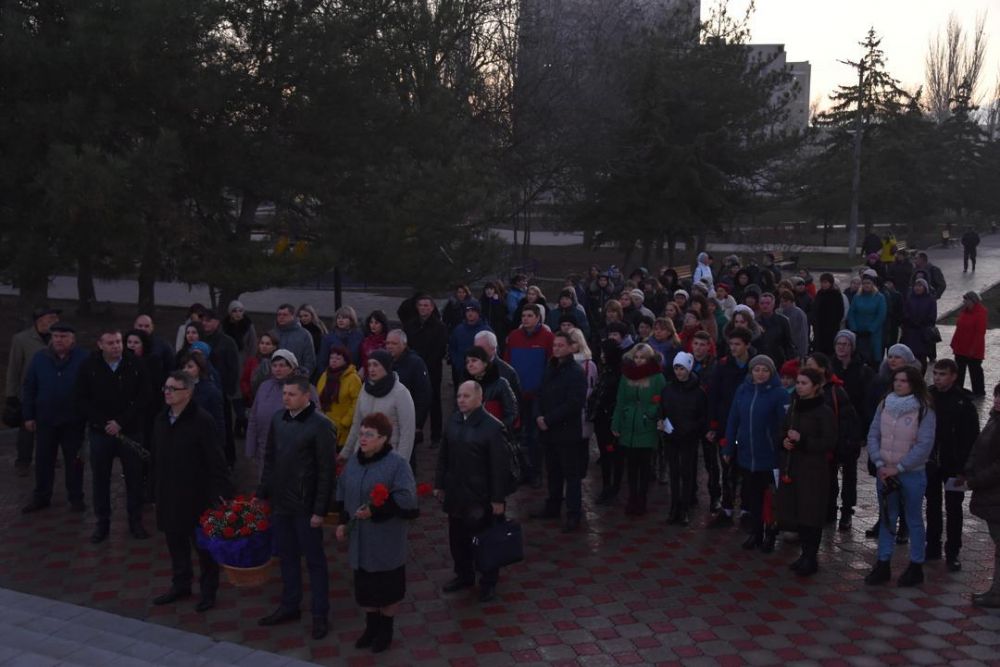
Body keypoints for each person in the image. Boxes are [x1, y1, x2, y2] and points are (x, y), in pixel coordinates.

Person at [256, 376, 337, 639]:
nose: (286, 398)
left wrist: (319, 510)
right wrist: (263, 492)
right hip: (281, 503)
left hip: (305, 506)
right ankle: (290, 605)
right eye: (285, 394)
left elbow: (326, 472)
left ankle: (319, 614)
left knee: (315, 561)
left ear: (306, 396)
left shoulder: (321, 426)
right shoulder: (279, 419)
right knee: (287, 557)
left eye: (292, 394)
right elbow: (270, 459)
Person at [335, 412, 419, 653]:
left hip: (385, 541)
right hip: (360, 541)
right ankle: (371, 628)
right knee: (366, 590)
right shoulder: (353, 461)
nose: (363, 438)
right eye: (361, 433)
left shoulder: (397, 464)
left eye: (369, 435)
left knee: (387, 590)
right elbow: (342, 493)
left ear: (383, 439)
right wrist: (343, 521)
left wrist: (377, 510)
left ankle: (386, 630)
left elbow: (408, 500)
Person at [151, 371, 232, 612]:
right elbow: (155, 457)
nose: (167, 392)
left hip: (197, 495)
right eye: (165, 387)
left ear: (187, 392)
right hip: (168, 493)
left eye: (172, 389)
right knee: (175, 543)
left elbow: (216, 460)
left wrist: (219, 493)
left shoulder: (201, 421)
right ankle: (181, 583)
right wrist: (152, 490)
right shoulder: (161, 419)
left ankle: (208, 591)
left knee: (203, 548)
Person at [434, 380, 510, 603]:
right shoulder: (454, 421)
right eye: (459, 396)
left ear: (480, 398)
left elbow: (499, 468)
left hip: (480, 497)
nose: (461, 400)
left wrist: (498, 499)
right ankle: (464, 575)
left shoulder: (493, 427)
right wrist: (439, 484)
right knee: (457, 539)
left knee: (484, 541)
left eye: (466, 396)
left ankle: (488, 582)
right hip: (456, 494)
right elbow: (443, 456)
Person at [75, 328, 152, 543]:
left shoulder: (136, 364)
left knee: (135, 478)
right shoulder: (89, 366)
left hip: (130, 430)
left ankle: (135, 521)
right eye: (111, 343)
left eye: (119, 341)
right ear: (100, 345)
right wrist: (103, 423)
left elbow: (145, 396)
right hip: (101, 433)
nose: (116, 346)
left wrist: (121, 422)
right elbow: (81, 399)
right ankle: (102, 523)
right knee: (100, 479)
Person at [865, 366, 936, 587]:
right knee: (887, 517)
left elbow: (924, 444)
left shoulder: (924, 409)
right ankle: (883, 562)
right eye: (896, 380)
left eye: (904, 381)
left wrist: (900, 467)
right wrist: (879, 462)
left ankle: (916, 564)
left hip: (912, 473)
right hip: (884, 471)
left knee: (913, 518)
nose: (898, 384)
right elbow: (873, 433)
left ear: (913, 383)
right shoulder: (885, 404)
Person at [723, 355, 789, 552]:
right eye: (757, 369)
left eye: (765, 370)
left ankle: (770, 532)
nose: (760, 374)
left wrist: (779, 447)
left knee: (770, 498)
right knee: (752, 496)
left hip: (768, 456)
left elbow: (784, 425)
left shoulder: (779, 394)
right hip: (746, 454)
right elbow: (733, 419)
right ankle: (755, 532)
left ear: (771, 372)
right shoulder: (743, 390)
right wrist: (728, 447)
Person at [20, 323, 88, 513]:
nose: (59, 340)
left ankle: (76, 497)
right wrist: (28, 415)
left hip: (73, 420)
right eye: (56, 336)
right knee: (43, 460)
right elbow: (29, 387)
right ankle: (41, 496)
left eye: (64, 337)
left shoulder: (84, 358)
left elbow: (92, 387)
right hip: (45, 419)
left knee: (74, 461)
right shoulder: (40, 358)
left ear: (72, 339)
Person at [777, 368, 837, 576]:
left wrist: (803, 440)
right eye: (799, 383)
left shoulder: (823, 411)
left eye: (804, 383)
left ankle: (811, 556)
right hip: (793, 466)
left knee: (811, 512)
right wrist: (784, 440)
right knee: (798, 512)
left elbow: (829, 442)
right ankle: (804, 554)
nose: (799, 386)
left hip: (813, 470)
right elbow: (784, 428)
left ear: (815, 387)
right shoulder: (794, 406)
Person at [530, 331, 588, 532]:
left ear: (572, 347)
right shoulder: (550, 368)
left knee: (571, 475)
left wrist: (549, 418)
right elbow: (540, 393)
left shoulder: (576, 373)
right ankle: (553, 505)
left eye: (561, 345)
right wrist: (538, 415)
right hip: (548, 430)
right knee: (553, 471)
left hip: (566, 431)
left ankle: (574, 513)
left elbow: (574, 403)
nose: (556, 349)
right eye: (555, 345)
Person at [926, 359, 979, 571]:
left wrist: (965, 468)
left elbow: (972, 438)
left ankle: (953, 551)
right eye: (936, 374)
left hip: (955, 465)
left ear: (953, 376)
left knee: (954, 509)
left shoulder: (963, 402)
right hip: (931, 463)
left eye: (942, 374)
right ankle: (932, 546)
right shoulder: (928, 396)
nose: (938, 378)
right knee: (932, 506)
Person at [803, 353, 861, 529]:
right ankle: (829, 509)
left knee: (846, 477)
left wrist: (846, 442)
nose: (809, 368)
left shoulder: (835, 390)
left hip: (840, 441)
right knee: (828, 479)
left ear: (823, 368)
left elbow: (845, 418)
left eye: (812, 365)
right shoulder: (807, 389)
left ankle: (846, 512)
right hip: (821, 443)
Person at [707, 328, 756, 524]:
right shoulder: (723, 366)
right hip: (727, 424)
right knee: (728, 468)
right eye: (731, 344)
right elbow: (713, 396)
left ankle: (745, 509)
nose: (734, 348)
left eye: (737, 344)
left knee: (746, 469)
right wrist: (713, 424)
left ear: (747, 345)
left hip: (748, 426)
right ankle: (727, 508)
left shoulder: (755, 366)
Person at [612, 343, 666, 517]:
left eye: (642, 357)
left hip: (646, 426)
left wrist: (650, 414)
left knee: (644, 467)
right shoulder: (626, 376)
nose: (638, 360)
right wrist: (616, 422)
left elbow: (660, 402)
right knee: (631, 467)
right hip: (629, 425)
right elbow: (620, 401)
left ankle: (641, 500)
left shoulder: (657, 377)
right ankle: (632, 498)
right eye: (636, 357)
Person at [504, 304, 554, 486]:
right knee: (518, 435)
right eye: (523, 315)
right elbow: (507, 363)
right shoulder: (514, 336)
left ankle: (536, 472)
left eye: (530, 315)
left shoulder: (548, 337)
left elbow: (552, 364)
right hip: (517, 393)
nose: (525, 319)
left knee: (535, 436)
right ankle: (522, 470)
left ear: (538, 318)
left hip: (537, 394)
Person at [245, 350, 318, 475]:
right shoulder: (264, 387)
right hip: (264, 449)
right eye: (274, 366)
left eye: (282, 366)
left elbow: (315, 421)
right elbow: (253, 418)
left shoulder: (306, 388)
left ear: (292, 367)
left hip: (293, 452)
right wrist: (250, 448)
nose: (277, 369)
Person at [6, 306, 59, 476]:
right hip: (28, 391)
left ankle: (51, 457)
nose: (55, 321)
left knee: (51, 427)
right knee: (26, 429)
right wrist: (11, 394)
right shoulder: (21, 339)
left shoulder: (58, 337)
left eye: (55, 318)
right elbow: (14, 368)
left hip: (52, 391)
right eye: (51, 318)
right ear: (40, 319)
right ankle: (23, 460)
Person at [341, 350, 416, 463]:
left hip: (388, 457)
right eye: (369, 365)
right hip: (363, 454)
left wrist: (401, 464)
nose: (371, 369)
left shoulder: (400, 393)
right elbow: (357, 423)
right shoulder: (365, 389)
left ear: (386, 366)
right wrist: (345, 453)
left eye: (376, 365)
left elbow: (407, 433)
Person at [661, 352, 708, 526]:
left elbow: (702, 416)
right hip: (671, 436)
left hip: (689, 437)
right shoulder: (668, 389)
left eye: (682, 368)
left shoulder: (698, 392)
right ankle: (674, 506)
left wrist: (692, 429)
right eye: (676, 368)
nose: (679, 372)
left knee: (687, 473)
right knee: (674, 472)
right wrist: (662, 422)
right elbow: (662, 409)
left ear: (688, 368)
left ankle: (685, 507)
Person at [964, 383, 1000, 607]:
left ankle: (997, 594)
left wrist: (975, 480)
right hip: (991, 494)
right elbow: (979, 449)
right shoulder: (994, 419)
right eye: (997, 395)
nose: (997, 400)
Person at [404, 295, 448, 445]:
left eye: (426, 305)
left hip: (432, 369)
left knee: (434, 402)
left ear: (432, 307)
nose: (423, 308)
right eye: (421, 305)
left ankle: (436, 435)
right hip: (413, 368)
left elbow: (440, 349)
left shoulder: (439, 326)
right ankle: (416, 431)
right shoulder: (410, 325)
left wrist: (425, 364)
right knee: (412, 401)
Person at [199, 311, 241, 467]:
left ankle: (228, 459)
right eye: (203, 320)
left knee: (224, 426)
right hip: (202, 389)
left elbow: (234, 367)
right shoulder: (200, 339)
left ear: (217, 322)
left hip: (221, 391)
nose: (205, 323)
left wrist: (229, 391)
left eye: (209, 321)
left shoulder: (227, 342)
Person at [385, 329, 431, 468]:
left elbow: (424, 394)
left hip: (407, 420)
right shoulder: (385, 361)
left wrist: (418, 423)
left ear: (404, 345)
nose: (389, 346)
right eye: (387, 343)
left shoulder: (415, 363)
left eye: (394, 343)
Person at [592, 339, 625, 505]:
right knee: (605, 454)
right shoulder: (605, 371)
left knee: (615, 454)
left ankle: (615, 487)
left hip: (612, 420)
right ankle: (606, 486)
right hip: (601, 419)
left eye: (605, 352)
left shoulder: (619, 374)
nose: (602, 356)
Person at [315, 344, 362, 451]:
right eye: (331, 358)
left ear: (346, 360)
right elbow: (317, 397)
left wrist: (346, 421)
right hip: (324, 424)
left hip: (342, 429)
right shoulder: (325, 375)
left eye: (338, 358)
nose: (334, 361)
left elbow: (357, 402)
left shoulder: (353, 378)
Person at [464, 347, 518, 431]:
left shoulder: (501, 384)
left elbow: (512, 413)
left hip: (496, 436)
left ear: (485, 363)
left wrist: (497, 428)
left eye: (474, 360)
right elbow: (458, 412)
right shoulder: (465, 385)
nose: (470, 364)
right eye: (467, 362)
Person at [178, 350, 226, 437]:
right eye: (184, 367)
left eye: (190, 367)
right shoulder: (178, 388)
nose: (185, 370)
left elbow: (218, 422)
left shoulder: (211, 391)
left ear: (199, 368)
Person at [447, 301, 492, 394]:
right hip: (462, 371)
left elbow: (492, 351)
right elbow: (452, 348)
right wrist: (458, 363)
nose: (470, 313)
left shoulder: (486, 330)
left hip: (481, 373)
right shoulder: (458, 330)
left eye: (473, 310)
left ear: (478, 312)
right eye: (468, 311)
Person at [951, 291, 987, 397]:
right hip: (961, 347)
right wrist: (954, 342)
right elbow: (959, 328)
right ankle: (958, 390)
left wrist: (973, 349)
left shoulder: (981, 313)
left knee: (975, 370)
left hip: (973, 348)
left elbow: (980, 333)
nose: (964, 302)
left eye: (966, 300)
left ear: (973, 301)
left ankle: (979, 391)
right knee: (959, 370)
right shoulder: (964, 312)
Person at [847, 272, 887, 367]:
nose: (866, 285)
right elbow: (851, 313)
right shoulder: (857, 297)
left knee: (873, 357)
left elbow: (881, 315)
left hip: (873, 333)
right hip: (858, 331)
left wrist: (871, 329)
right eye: (864, 283)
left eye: (868, 283)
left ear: (873, 284)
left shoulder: (879, 297)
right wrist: (854, 328)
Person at [899, 278, 937, 371]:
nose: (917, 288)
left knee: (921, 357)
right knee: (910, 356)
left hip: (923, 333)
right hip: (910, 332)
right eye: (916, 286)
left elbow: (932, 315)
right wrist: (910, 321)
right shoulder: (909, 299)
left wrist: (922, 322)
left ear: (925, 287)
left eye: (920, 286)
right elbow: (904, 312)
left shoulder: (930, 300)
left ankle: (921, 376)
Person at [318, 306, 364, 374]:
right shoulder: (328, 338)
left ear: (351, 320)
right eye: (338, 318)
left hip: (354, 375)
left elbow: (361, 359)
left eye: (344, 318)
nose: (340, 320)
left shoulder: (359, 336)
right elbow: (322, 361)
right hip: (333, 376)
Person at [275, 303, 317, 377]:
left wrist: (300, 377)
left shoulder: (304, 335)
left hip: (296, 379)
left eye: (285, 315)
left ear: (292, 316)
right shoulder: (273, 333)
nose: (281, 317)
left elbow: (309, 361)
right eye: (279, 314)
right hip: (274, 379)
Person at [754, 294, 795, 368]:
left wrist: (790, 362)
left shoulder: (783, 321)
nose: (765, 306)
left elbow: (788, 344)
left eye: (768, 303)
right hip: (759, 361)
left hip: (778, 360)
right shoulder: (755, 322)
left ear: (773, 305)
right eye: (762, 303)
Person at [240, 331, 279, 406]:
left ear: (274, 347)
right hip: (254, 400)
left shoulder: (278, 362)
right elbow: (244, 380)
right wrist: (248, 394)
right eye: (262, 343)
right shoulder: (252, 361)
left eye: (268, 344)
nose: (264, 346)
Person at [811, 274, 845, 356]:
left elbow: (840, 311)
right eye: (822, 282)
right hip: (819, 327)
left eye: (826, 282)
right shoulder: (819, 293)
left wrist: (834, 323)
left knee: (830, 348)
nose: (824, 284)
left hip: (831, 328)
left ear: (831, 283)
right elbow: (815, 308)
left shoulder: (836, 294)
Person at [778, 290, 809, 361]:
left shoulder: (799, 314)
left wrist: (802, 353)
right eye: (781, 301)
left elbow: (803, 335)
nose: (783, 304)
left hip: (796, 350)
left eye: (785, 301)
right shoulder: (779, 313)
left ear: (791, 301)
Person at [479, 281, 509, 349]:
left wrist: (496, 302)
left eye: (491, 289)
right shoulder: (482, 301)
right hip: (485, 329)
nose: (489, 291)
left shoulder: (500, 301)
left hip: (498, 330)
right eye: (487, 289)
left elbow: (501, 315)